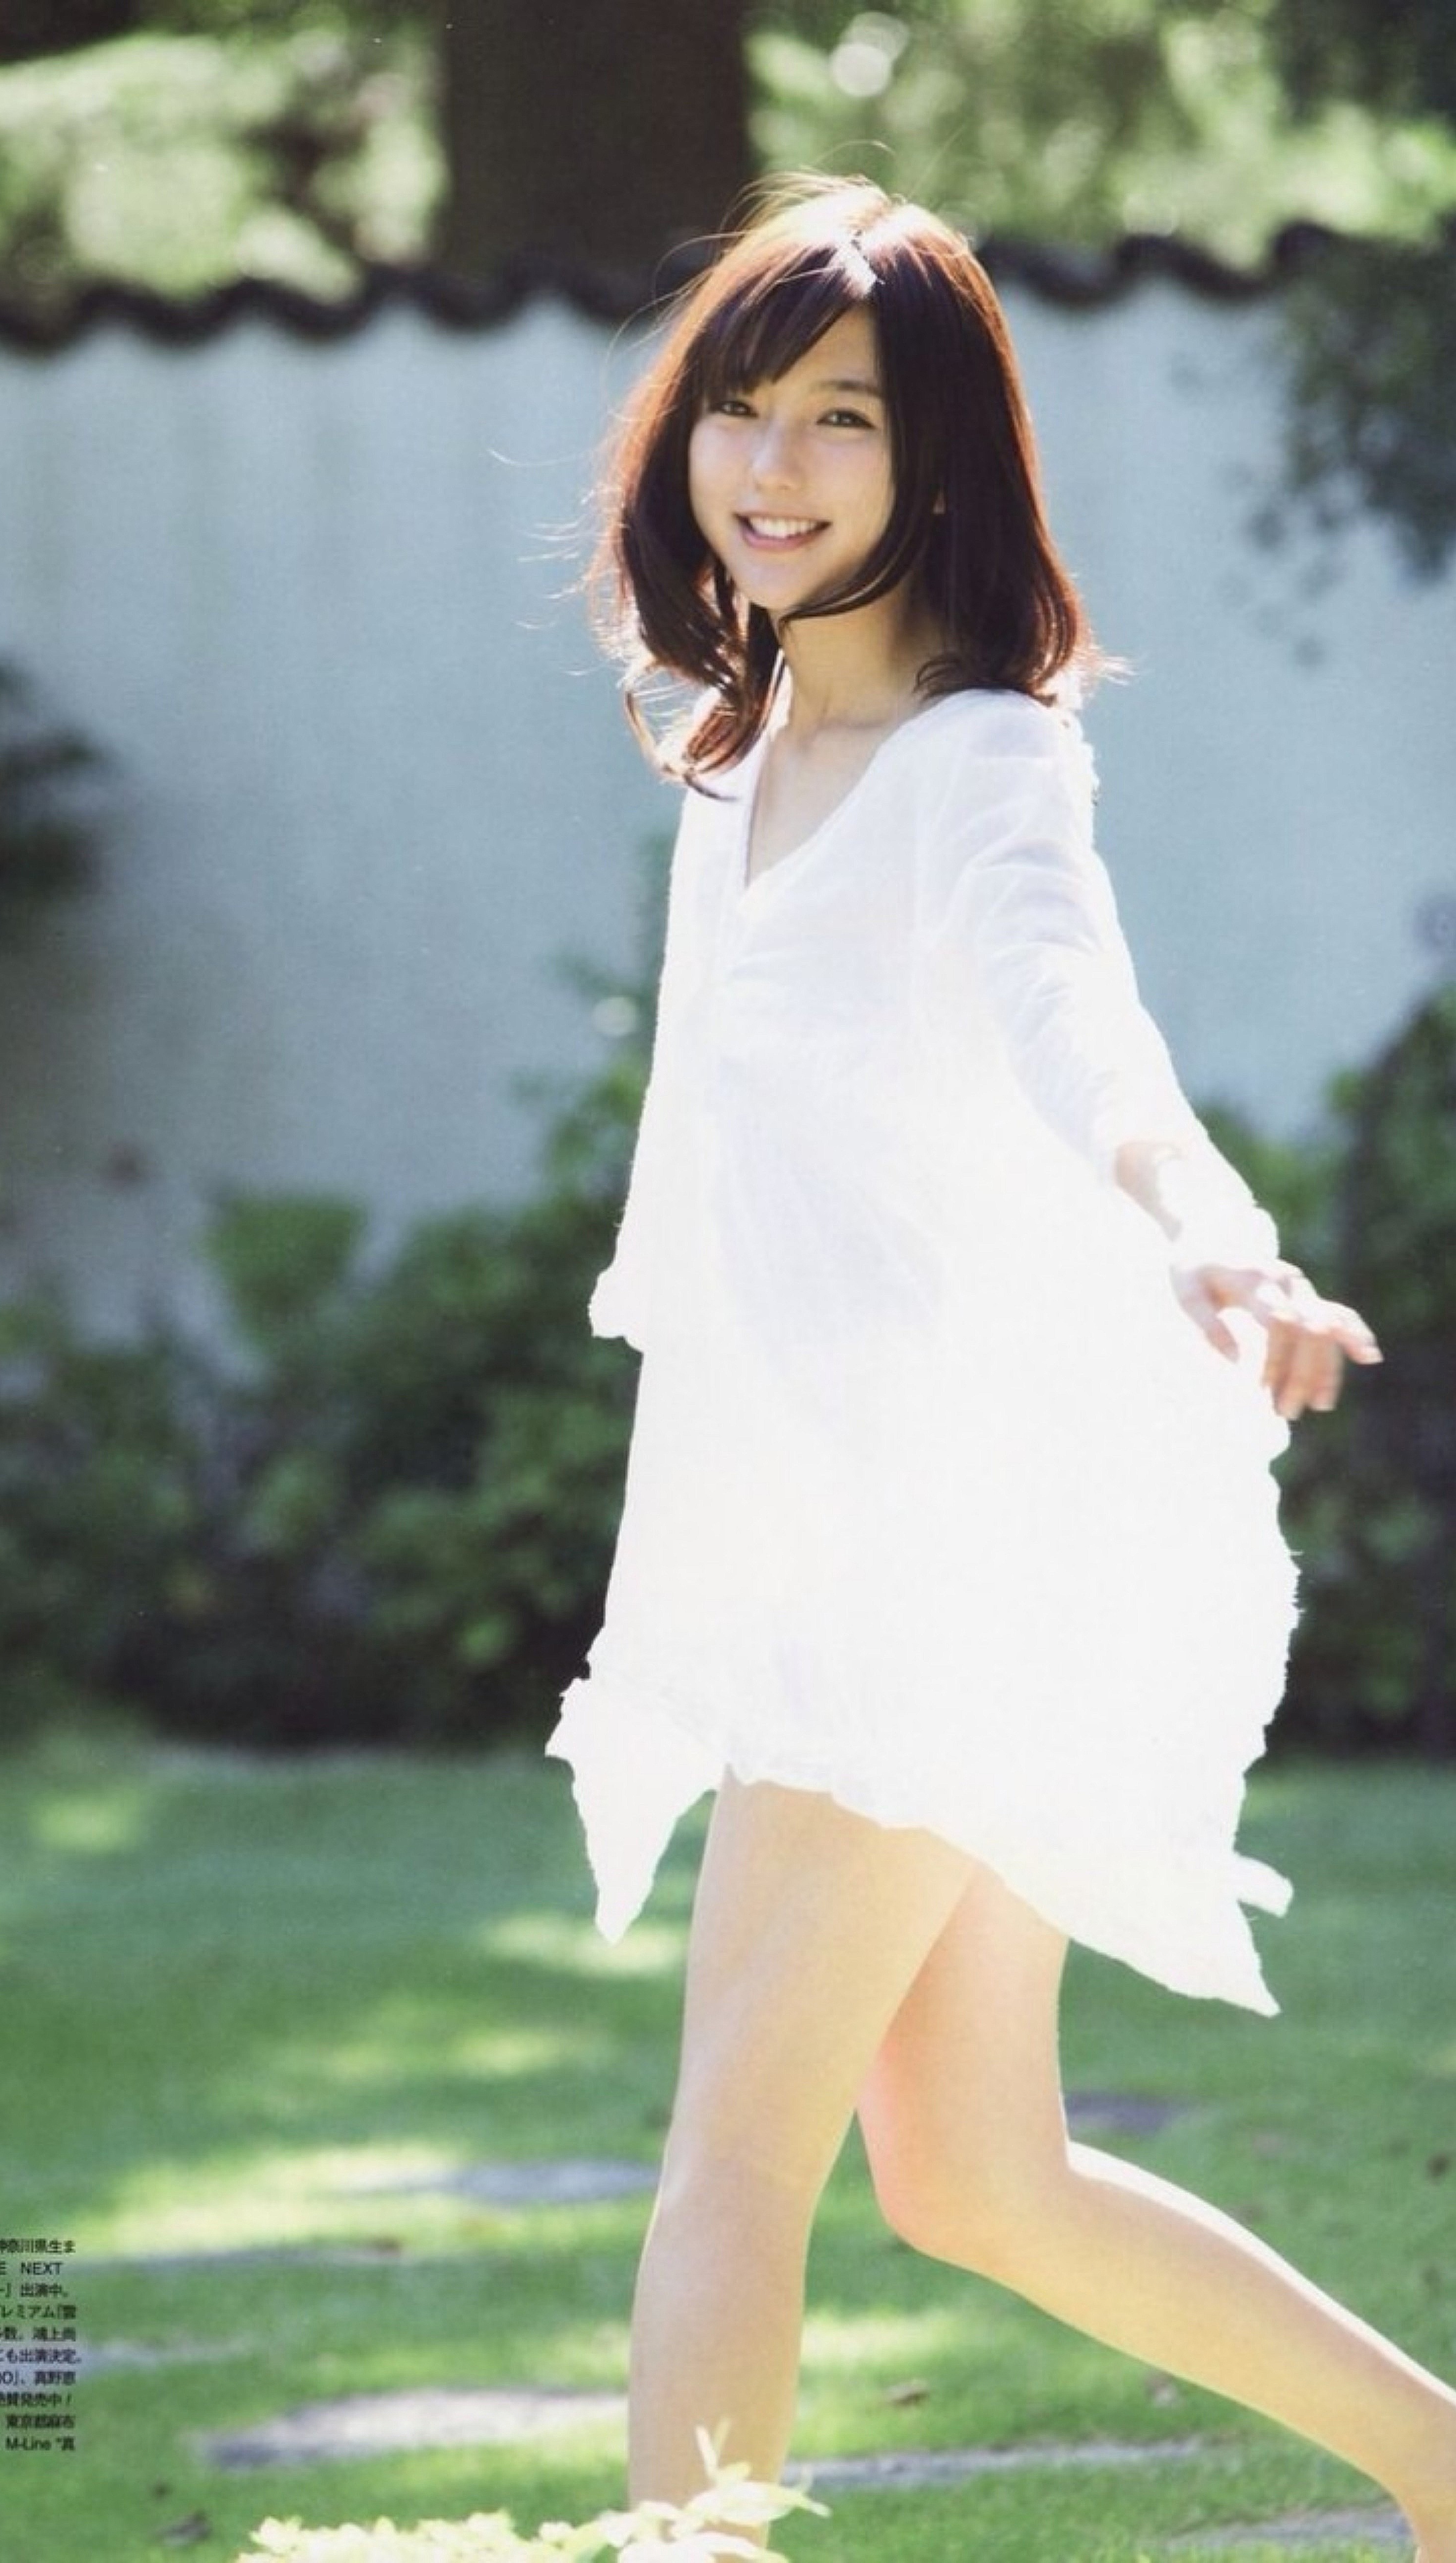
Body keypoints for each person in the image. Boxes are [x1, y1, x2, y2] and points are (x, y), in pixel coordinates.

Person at [545, 178, 1456, 2555]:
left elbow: (1086, 1029)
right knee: (975, 2172)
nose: (774, 465)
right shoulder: (737, 762)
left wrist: (1219, 1237)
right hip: (822, 1517)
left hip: (927, 1546)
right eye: (742, 409)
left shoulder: (984, 761)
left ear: (937, 455)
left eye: (841, 419)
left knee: (730, 2160)